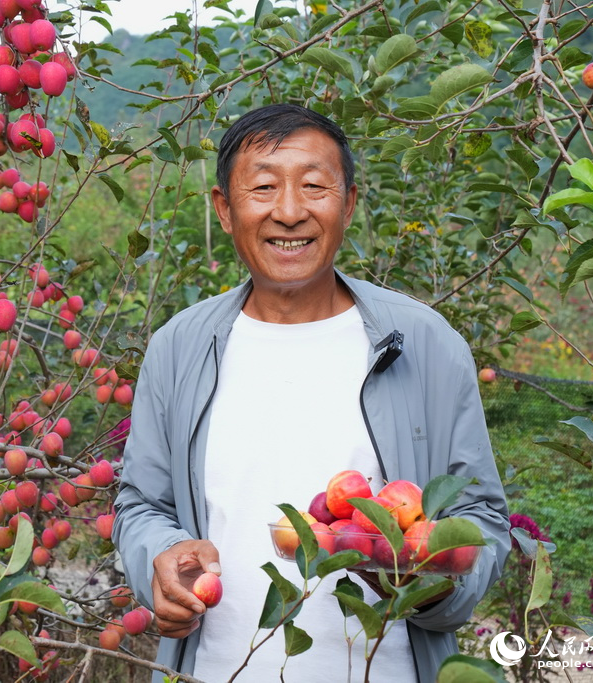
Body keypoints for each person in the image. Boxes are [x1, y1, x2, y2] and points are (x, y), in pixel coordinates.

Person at [112, 103, 510, 683]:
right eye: (264, 187)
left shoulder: (425, 344)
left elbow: (481, 518)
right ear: (224, 208)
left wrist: (429, 578)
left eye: (315, 187)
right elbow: (142, 505)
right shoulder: (179, 347)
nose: (290, 211)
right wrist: (159, 559)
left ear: (348, 204)